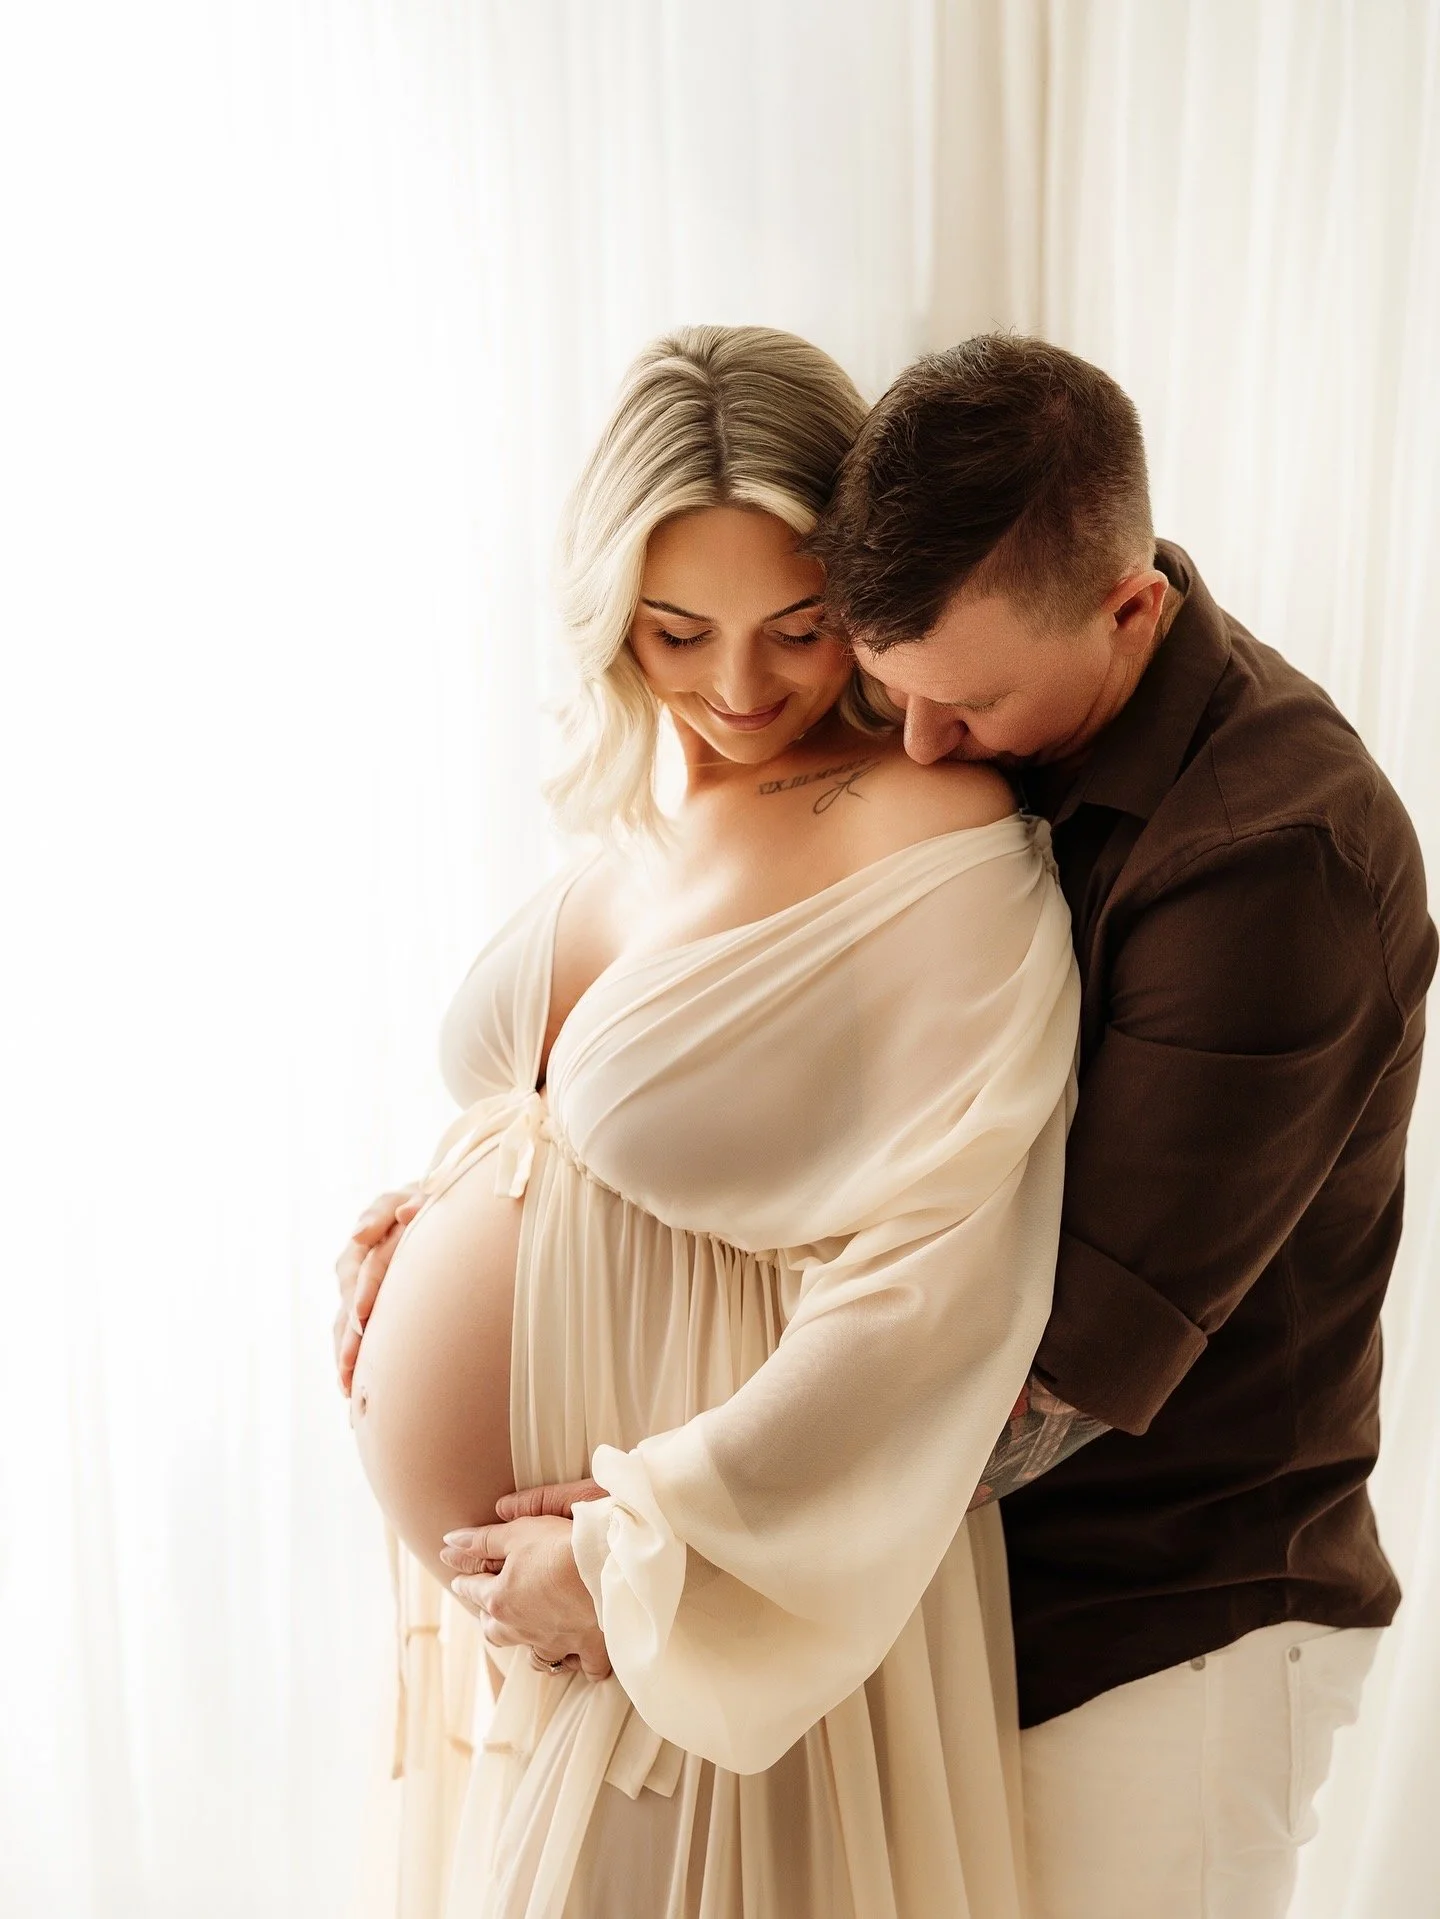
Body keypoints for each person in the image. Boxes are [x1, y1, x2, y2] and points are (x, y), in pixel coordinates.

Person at [335, 325, 1080, 1919]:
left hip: (704, 1613)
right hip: (563, 1641)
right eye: (678, 630)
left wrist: (647, 1551)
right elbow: (593, 1126)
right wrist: (431, 1211)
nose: (740, 687)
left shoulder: (932, 828)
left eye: (801, 629)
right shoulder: (650, 812)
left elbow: (938, 1276)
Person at [797, 334, 1435, 1918]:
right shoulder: (985, 720)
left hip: (1176, 1630)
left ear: (1132, 606)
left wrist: (661, 1538)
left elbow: (1052, 1379)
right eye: (896, 694)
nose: (923, 752)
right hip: (971, 1603)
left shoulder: (1280, 856)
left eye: (973, 704)